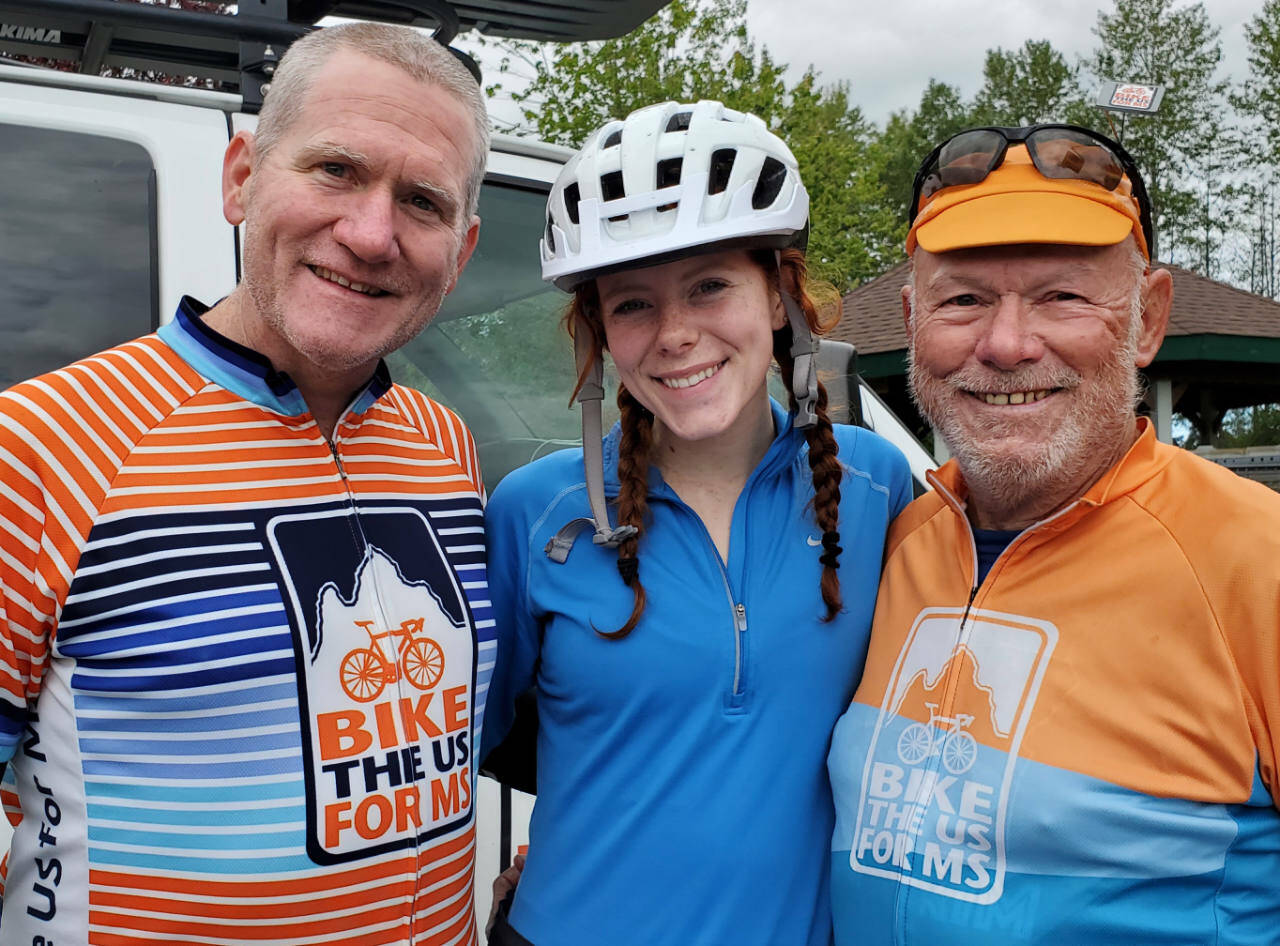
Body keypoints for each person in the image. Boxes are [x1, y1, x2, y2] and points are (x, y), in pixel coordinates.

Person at [0, 22, 492, 945]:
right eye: (336, 170)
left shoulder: (445, 447)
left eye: (421, 201)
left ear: (460, 253)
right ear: (242, 179)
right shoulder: (36, 448)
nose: (371, 233)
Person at [827, 124, 1280, 945]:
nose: (1006, 344)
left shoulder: (1258, 559)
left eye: (1062, 296)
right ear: (910, 320)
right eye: (962, 299)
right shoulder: (891, 544)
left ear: (1150, 320)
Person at [480, 100, 913, 946]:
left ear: (779, 298)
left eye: (710, 285)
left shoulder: (879, 484)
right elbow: (482, 742)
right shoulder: (535, 513)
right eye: (633, 305)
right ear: (600, 333)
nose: (675, 335)